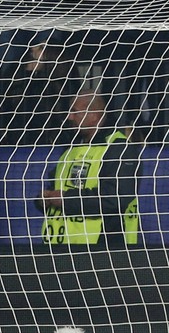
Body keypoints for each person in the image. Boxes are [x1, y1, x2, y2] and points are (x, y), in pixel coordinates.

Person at [37, 90, 141, 249]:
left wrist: (65, 199)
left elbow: (115, 198)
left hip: (104, 246)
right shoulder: (72, 147)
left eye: (74, 112)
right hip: (62, 245)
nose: (69, 117)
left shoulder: (119, 148)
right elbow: (55, 187)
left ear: (94, 115)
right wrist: (43, 199)